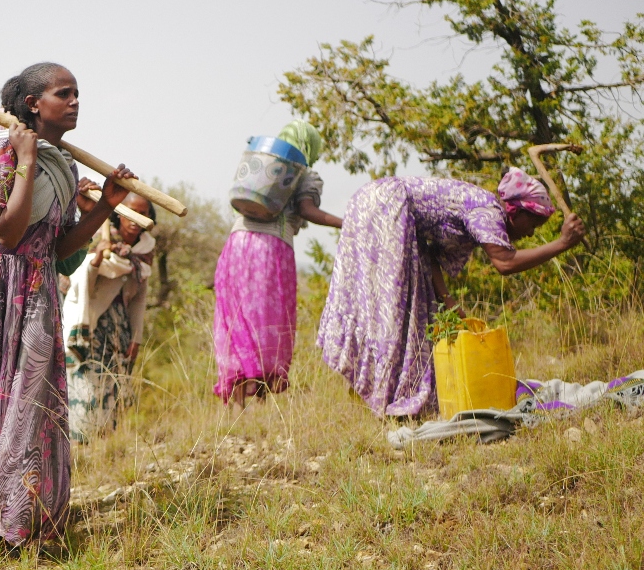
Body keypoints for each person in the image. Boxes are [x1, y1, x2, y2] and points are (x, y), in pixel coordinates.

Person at [0, 62, 136, 548]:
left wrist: (107, 205)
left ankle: (16, 519)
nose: (74, 102)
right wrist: (24, 159)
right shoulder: (5, 152)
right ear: (32, 104)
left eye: (77, 94)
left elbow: (60, 247)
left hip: (36, 290)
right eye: (63, 94)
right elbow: (6, 232)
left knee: (30, 402)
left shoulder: (64, 165)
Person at [318, 167, 586, 417]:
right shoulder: (487, 210)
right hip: (385, 206)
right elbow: (505, 262)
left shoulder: (479, 208)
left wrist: (448, 302)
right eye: (534, 225)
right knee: (396, 311)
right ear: (517, 212)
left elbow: (430, 255)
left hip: (371, 201)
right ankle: (394, 399)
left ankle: (388, 392)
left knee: (407, 305)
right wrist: (562, 244)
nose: (531, 233)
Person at [213, 122, 343, 407]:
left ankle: (237, 410)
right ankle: (261, 405)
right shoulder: (305, 174)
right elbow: (308, 210)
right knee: (268, 323)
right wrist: (345, 223)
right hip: (271, 250)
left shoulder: (263, 163)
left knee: (238, 322)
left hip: (237, 245)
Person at [62, 193, 156, 442]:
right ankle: (81, 441)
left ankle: (105, 442)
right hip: (91, 323)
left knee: (113, 382)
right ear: (119, 215)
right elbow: (81, 280)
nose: (136, 220)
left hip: (119, 326)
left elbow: (139, 297)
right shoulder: (100, 238)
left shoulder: (146, 249)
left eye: (143, 214)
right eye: (129, 213)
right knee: (87, 380)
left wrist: (136, 336)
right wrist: (99, 258)